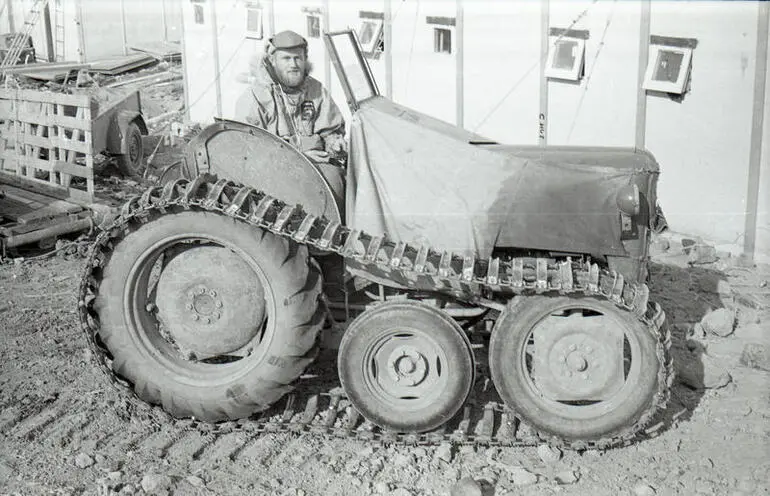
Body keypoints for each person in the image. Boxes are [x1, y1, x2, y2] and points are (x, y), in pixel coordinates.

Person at [234, 30, 346, 166]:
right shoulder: (256, 96)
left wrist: (334, 143)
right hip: (274, 171)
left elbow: (330, 129)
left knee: (338, 179)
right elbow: (248, 147)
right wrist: (298, 156)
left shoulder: (316, 90)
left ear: (305, 59)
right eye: (286, 59)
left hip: (317, 167)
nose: (293, 65)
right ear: (272, 60)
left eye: (298, 58)